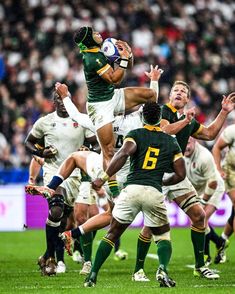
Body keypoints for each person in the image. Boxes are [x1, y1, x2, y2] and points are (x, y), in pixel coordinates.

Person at [133, 82, 235, 280]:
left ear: (188, 99)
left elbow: (210, 133)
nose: (179, 93)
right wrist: (186, 121)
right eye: (176, 91)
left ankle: (200, 266)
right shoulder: (163, 111)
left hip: (177, 175)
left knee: (199, 216)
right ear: (170, 96)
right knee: (150, 226)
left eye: (183, 92)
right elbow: (166, 131)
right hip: (157, 175)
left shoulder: (187, 119)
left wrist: (223, 112)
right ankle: (138, 270)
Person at [82, 101, 185, 288]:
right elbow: (181, 174)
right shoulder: (171, 141)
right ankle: (162, 268)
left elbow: (122, 154)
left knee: (112, 233)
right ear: (160, 118)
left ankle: (92, 275)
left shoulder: (135, 134)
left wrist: (104, 177)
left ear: (143, 116)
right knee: (162, 236)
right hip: (154, 191)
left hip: (131, 190)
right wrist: (163, 181)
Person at [73, 26, 160, 198]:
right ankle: (113, 192)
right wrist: (124, 58)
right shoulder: (91, 58)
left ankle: (149, 132)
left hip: (112, 97)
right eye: (94, 33)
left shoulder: (102, 49)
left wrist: (127, 53)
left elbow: (127, 65)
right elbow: (114, 78)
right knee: (108, 151)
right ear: (89, 40)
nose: (98, 34)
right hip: (100, 106)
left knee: (150, 95)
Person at [25, 90, 97, 275]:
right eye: (59, 99)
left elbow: (96, 144)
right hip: (53, 173)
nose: (63, 102)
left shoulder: (80, 120)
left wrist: (87, 148)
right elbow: (29, 142)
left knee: (65, 220)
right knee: (56, 210)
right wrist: (42, 153)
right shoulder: (45, 121)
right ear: (54, 102)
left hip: (77, 177)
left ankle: (47, 254)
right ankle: (51, 260)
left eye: (65, 98)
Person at [184, 137, 228, 265]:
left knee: (201, 220)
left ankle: (206, 257)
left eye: (188, 143)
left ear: (195, 141)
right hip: (199, 188)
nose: (186, 146)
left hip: (213, 187)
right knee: (197, 221)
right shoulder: (181, 152)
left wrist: (203, 202)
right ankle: (220, 242)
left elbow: (213, 182)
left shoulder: (204, 157)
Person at [212, 123, 235, 262]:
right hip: (231, 172)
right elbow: (217, 147)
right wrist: (218, 169)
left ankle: (222, 241)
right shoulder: (232, 130)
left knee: (234, 212)